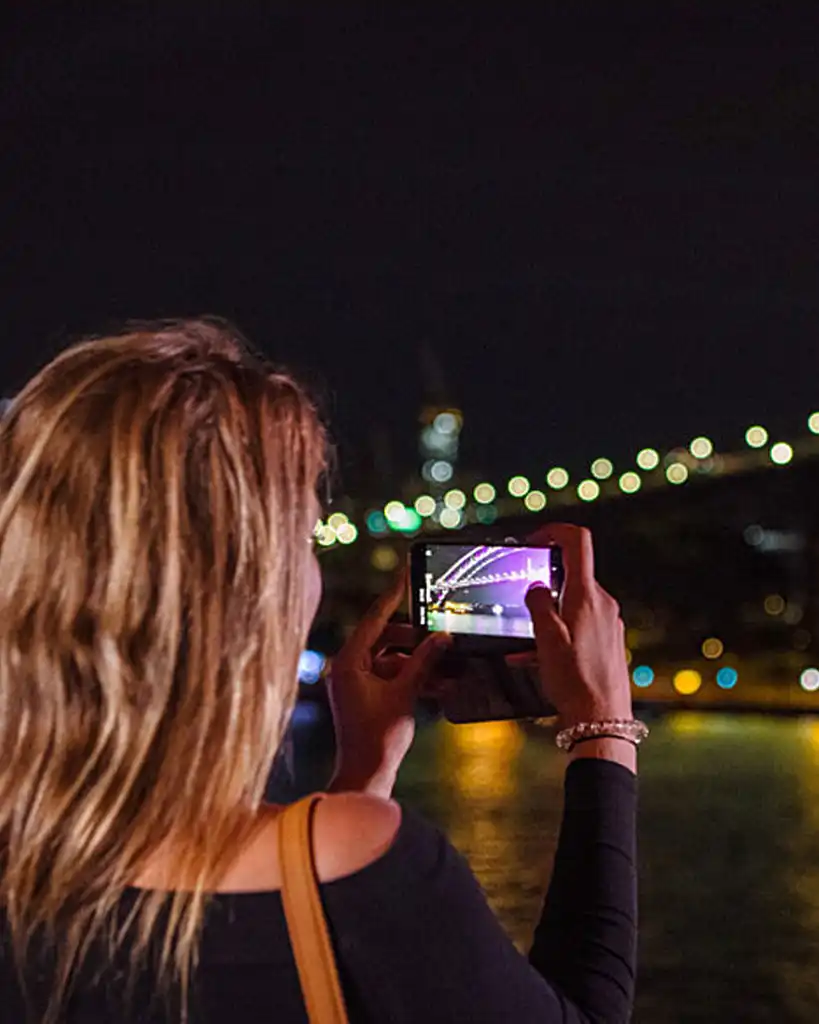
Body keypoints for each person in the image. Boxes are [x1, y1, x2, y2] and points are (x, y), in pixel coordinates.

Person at [0, 318, 638, 1023]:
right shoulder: (376, 870)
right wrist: (601, 727)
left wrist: (359, 775)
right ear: (243, 591)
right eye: (303, 536)